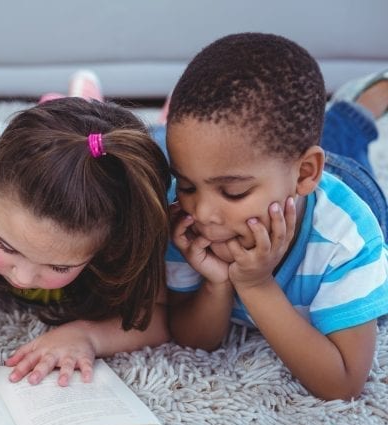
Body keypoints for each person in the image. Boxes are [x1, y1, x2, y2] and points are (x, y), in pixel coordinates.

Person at [163, 32, 388, 400]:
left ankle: (361, 107)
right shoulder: (185, 214)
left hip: (352, 186)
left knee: (344, 146)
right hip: (285, 173)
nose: (203, 212)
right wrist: (216, 285)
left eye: (233, 192)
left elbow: (343, 384)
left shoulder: (347, 239)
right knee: (280, 148)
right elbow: (191, 340)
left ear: (304, 175)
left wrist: (256, 285)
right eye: (186, 184)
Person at [0, 97, 173, 387]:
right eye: (6, 246)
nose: (23, 277)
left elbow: (159, 316)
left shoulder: (127, 234)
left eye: (59, 267)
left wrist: (88, 335)